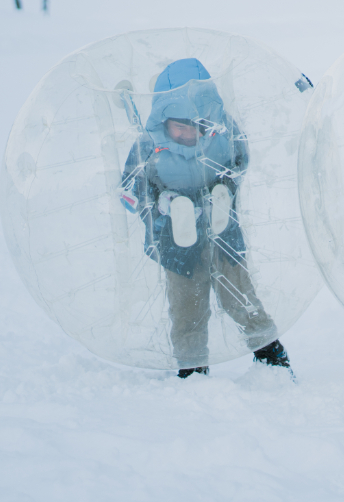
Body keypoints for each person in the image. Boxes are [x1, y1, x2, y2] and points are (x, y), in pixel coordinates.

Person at [119, 58, 291, 378]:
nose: (188, 131)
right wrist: (159, 204)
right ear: (163, 118)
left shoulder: (222, 137)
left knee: (240, 297)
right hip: (177, 245)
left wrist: (224, 185)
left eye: (197, 123)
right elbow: (129, 192)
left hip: (223, 234)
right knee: (187, 310)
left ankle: (270, 353)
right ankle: (193, 368)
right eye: (179, 124)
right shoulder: (148, 147)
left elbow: (240, 159)